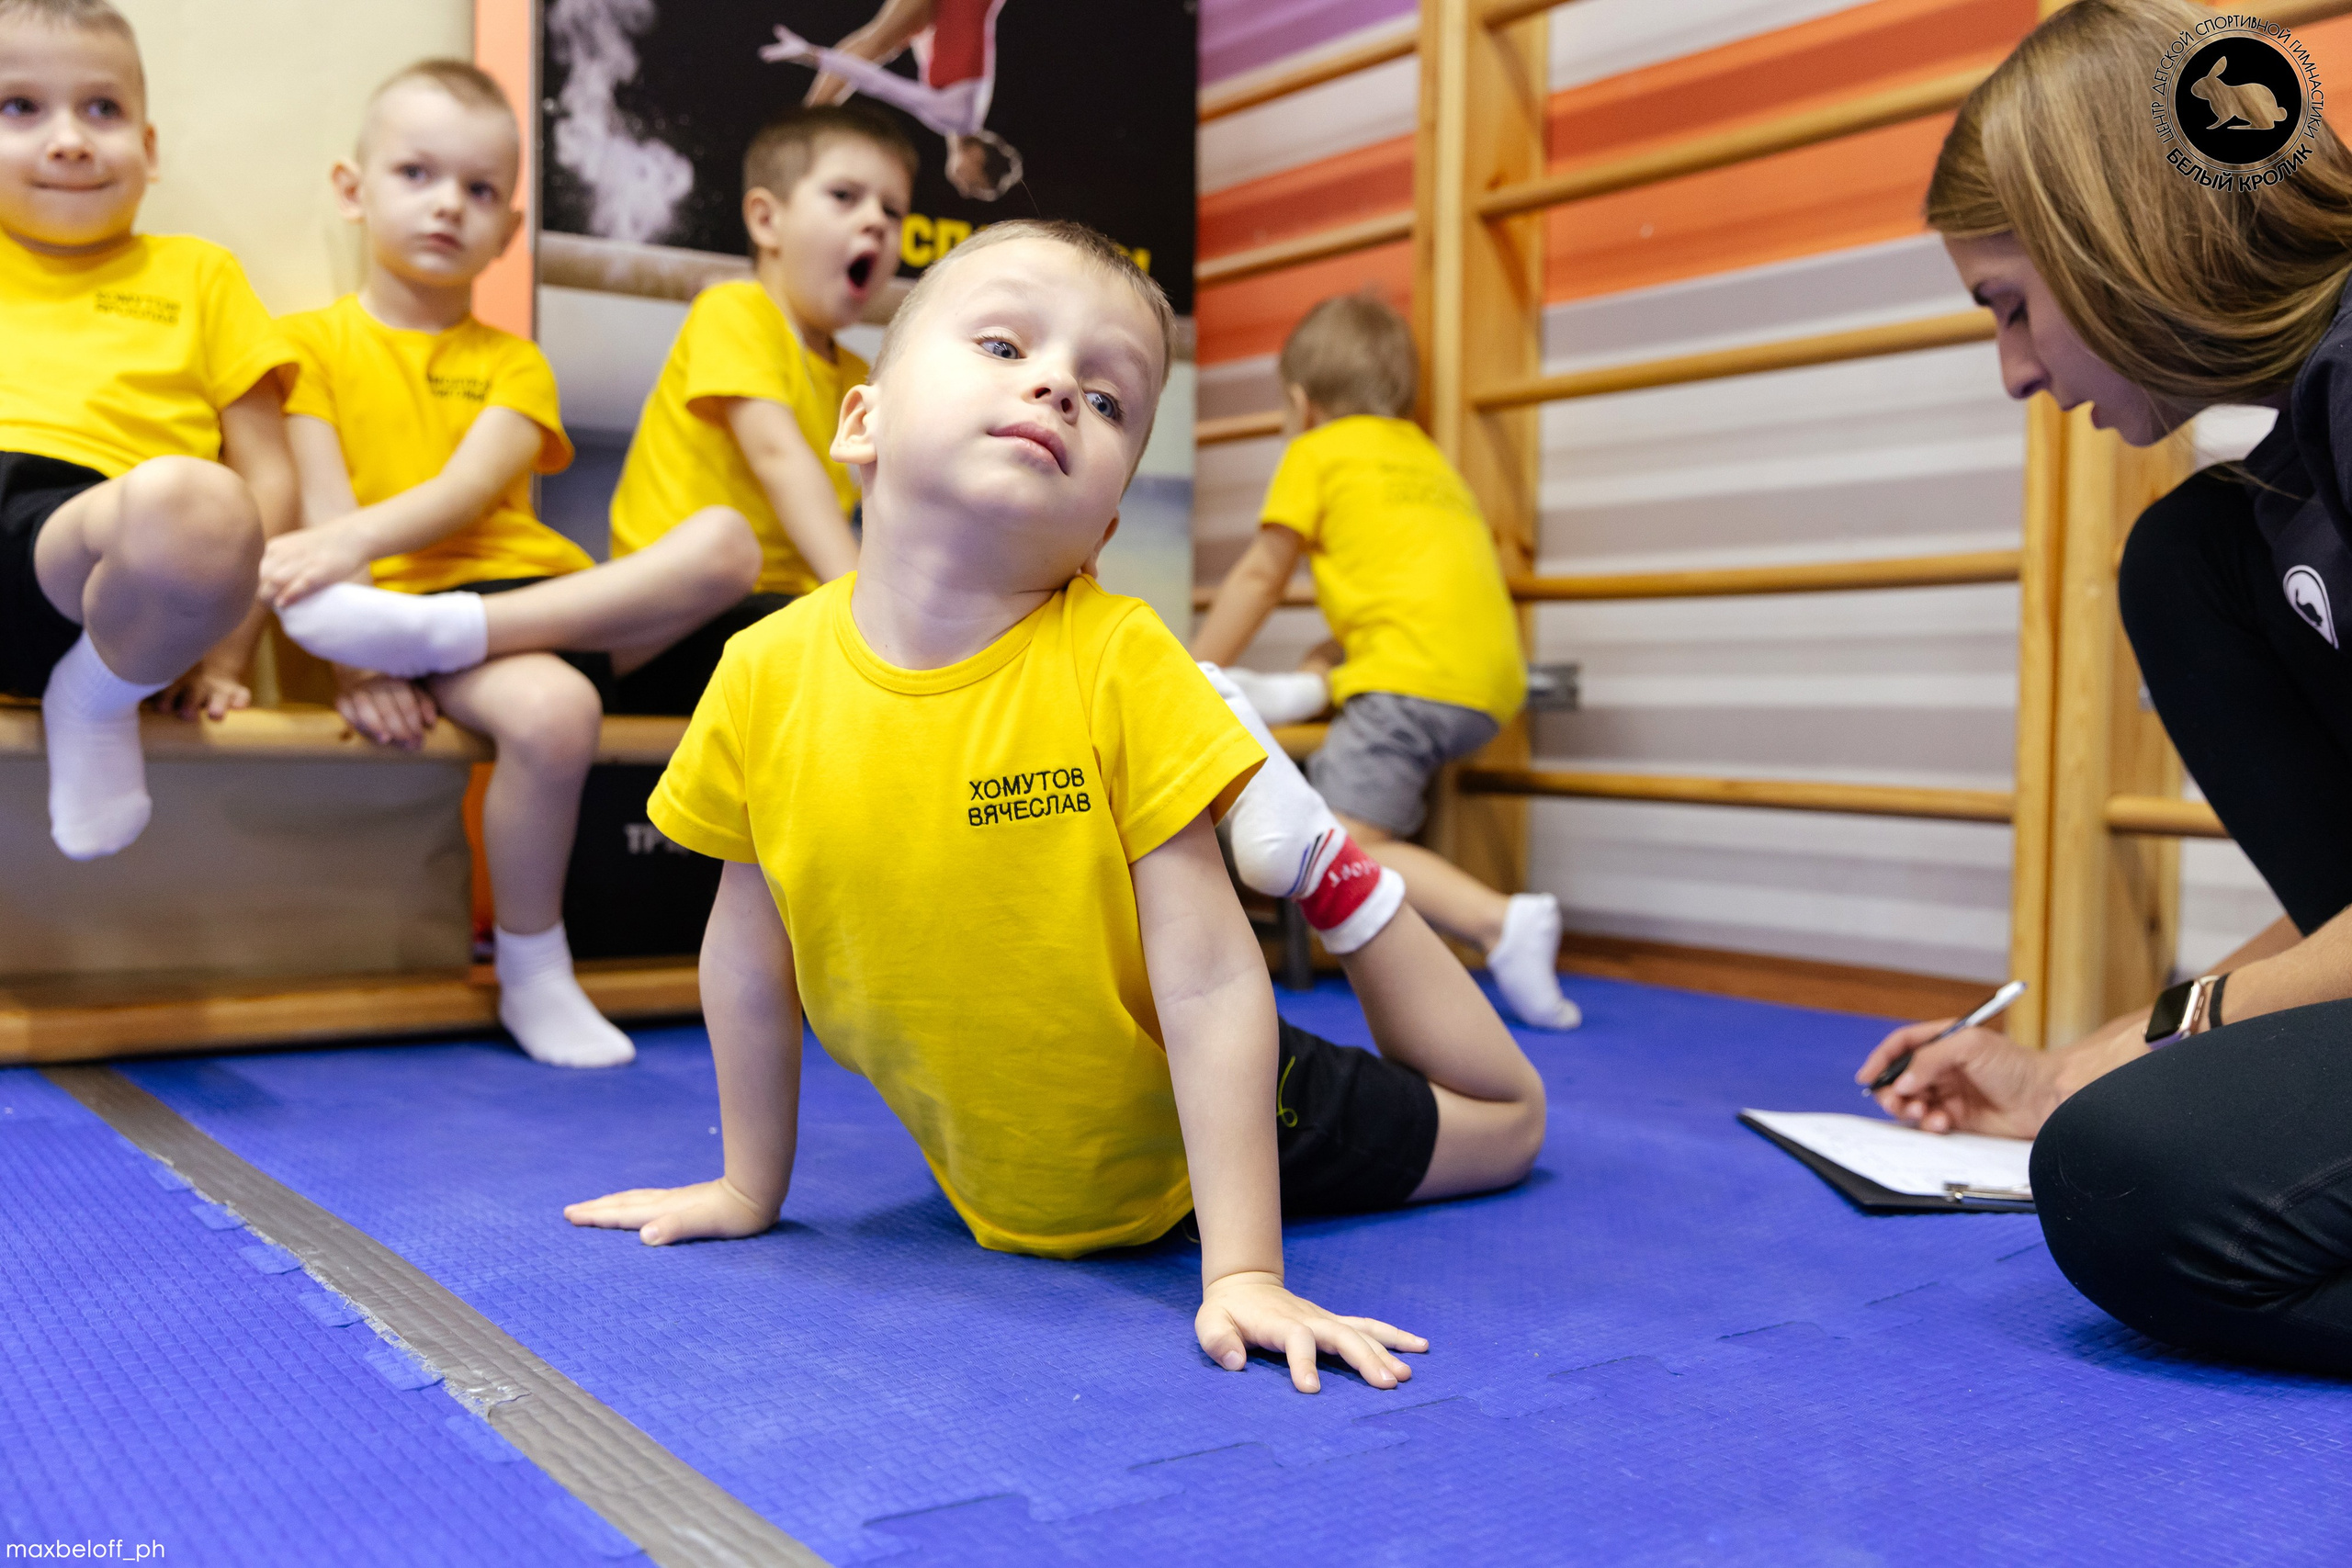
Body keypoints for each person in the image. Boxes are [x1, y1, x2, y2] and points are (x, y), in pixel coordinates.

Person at [564, 221, 1548, 1393]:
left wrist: (1242, 1271)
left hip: (1202, 1123)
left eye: (1108, 398)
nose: (1056, 386)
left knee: (1509, 1122)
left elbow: (1209, 981)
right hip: (1019, 1168)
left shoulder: (1117, 660)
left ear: (1105, 528)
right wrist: (746, 1184)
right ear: (861, 423)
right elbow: (745, 953)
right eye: (1000, 341)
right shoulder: (765, 675)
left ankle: (1327, 865)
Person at [1855, 0, 2352, 1374]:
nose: (2015, 371)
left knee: (2137, 1181)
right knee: (2189, 553)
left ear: (2112, 235)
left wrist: (2166, 1043)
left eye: (2012, 305)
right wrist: (2086, 1052)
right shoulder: (2294, 463)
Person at [260, 61, 763, 1068]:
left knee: (728, 544)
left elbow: (467, 489)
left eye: (481, 190)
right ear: (354, 191)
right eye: (417, 173)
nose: (449, 203)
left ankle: (445, 636)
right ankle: (535, 970)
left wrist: (364, 589)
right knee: (554, 713)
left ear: (509, 227)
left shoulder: (513, 361)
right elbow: (321, 514)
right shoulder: (301, 346)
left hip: (524, 605)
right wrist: (357, 654)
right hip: (404, 611)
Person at [1193, 292, 1580, 1032]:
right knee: (1341, 641)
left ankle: (1499, 921)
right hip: (1489, 682)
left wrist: (1186, 672)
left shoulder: (1314, 453)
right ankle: (1304, 688)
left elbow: (1259, 576)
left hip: (1411, 678)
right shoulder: (1426, 455)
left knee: (1345, 832)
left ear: (1301, 403)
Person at [0, 0, 297, 860]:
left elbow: (269, 478)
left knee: (199, 499)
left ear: (150, 146)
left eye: (102, 109)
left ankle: (90, 697)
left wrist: (224, 655)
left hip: (86, 564)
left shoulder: (198, 275)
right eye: (20, 107)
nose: (69, 139)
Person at [594, 104, 912, 715]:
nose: (875, 221)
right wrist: (873, 621)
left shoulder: (856, 374)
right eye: (845, 196)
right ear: (767, 221)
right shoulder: (735, 309)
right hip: (673, 616)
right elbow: (777, 456)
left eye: (892, 210)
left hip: (773, 612)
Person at [764, 0, 1023, 202]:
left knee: (885, 42)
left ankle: (805, 127)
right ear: (977, 156)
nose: (965, 191)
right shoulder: (954, 117)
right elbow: (875, 83)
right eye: (974, 185)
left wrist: (913, 35)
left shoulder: (969, 112)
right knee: (876, 43)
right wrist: (809, 54)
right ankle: (802, 129)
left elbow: (950, 45)